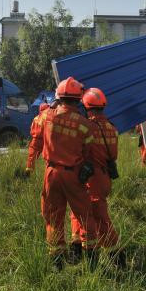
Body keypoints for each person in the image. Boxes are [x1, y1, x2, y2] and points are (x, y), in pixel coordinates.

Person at [37, 77, 98, 270]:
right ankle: (91, 261)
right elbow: (88, 152)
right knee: (84, 215)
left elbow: (37, 126)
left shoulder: (47, 116)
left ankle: (57, 262)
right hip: (74, 174)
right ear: (79, 99)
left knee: (53, 217)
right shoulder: (85, 124)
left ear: (59, 97)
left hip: (51, 173)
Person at [70, 88, 125, 266]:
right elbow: (113, 155)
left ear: (86, 107)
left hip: (92, 178)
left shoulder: (88, 128)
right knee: (80, 213)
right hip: (104, 176)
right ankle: (77, 246)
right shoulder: (111, 127)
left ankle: (115, 256)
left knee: (97, 217)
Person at [24, 102, 52, 175]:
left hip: (35, 139)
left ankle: (29, 171)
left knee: (31, 156)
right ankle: (47, 172)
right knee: (47, 157)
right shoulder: (47, 117)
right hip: (44, 140)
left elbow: (31, 129)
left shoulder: (35, 118)